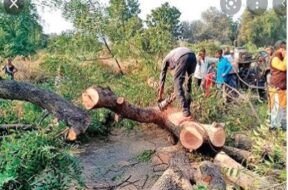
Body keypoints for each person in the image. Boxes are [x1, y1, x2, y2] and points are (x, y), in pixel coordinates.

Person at [158, 47, 197, 117]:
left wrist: (160, 97)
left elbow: (162, 80)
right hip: (193, 57)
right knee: (188, 84)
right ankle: (187, 108)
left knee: (177, 83)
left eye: (171, 68)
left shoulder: (165, 60)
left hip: (183, 57)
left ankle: (185, 110)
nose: (172, 69)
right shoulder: (173, 56)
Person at [269, 40, 286, 130]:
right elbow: (283, 67)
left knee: (282, 107)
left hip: (282, 87)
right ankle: (273, 127)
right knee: (276, 107)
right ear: (279, 48)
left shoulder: (281, 57)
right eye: (283, 48)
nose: (285, 49)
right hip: (276, 87)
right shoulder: (275, 58)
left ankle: (279, 125)